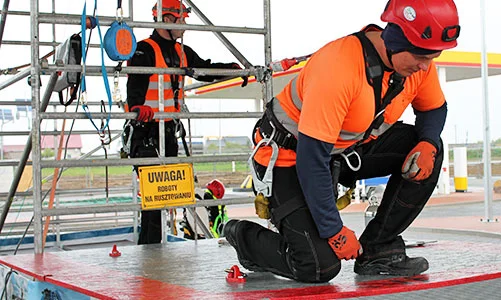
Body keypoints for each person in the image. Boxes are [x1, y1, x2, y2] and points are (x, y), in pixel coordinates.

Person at [223, 0, 460, 283]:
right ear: (396, 39)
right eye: (421, 56)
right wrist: (334, 232)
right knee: (318, 267)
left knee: (426, 150)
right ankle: (243, 236)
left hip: (341, 153)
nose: (425, 66)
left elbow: (434, 108)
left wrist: (428, 142)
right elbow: (312, 161)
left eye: (432, 57)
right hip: (290, 158)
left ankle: (379, 249)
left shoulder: (417, 64)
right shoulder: (339, 66)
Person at [126, 0, 242, 245]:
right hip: (145, 131)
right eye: (181, 20)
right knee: (154, 198)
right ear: (166, 20)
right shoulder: (143, 50)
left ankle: (155, 249)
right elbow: (134, 83)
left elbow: (203, 69)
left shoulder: (181, 52)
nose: (184, 26)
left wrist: (232, 71)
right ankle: (149, 250)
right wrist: (137, 107)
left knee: (164, 197)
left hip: (167, 131)